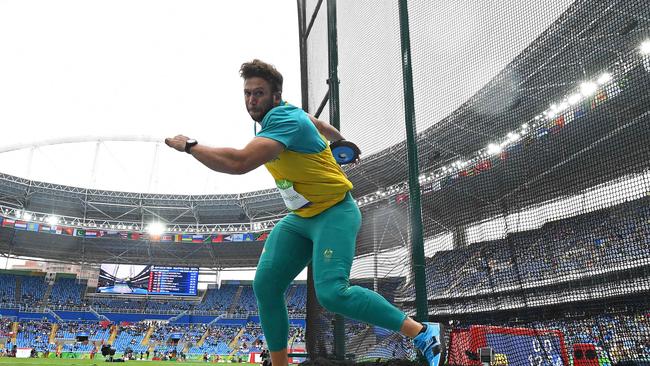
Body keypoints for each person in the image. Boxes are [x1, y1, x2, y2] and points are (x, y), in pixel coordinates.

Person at [165, 59, 444, 366]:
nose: (251, 100)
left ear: (275, 96)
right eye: (247, 93)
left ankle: (422, 332)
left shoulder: (285, 120)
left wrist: (190, 146)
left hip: (334, 212)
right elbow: (319, 124)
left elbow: (239, 163)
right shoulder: (288, 114)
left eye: (258, 93)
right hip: (300, 218)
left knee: (332, 294)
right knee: (266, 286)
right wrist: (339, 140)